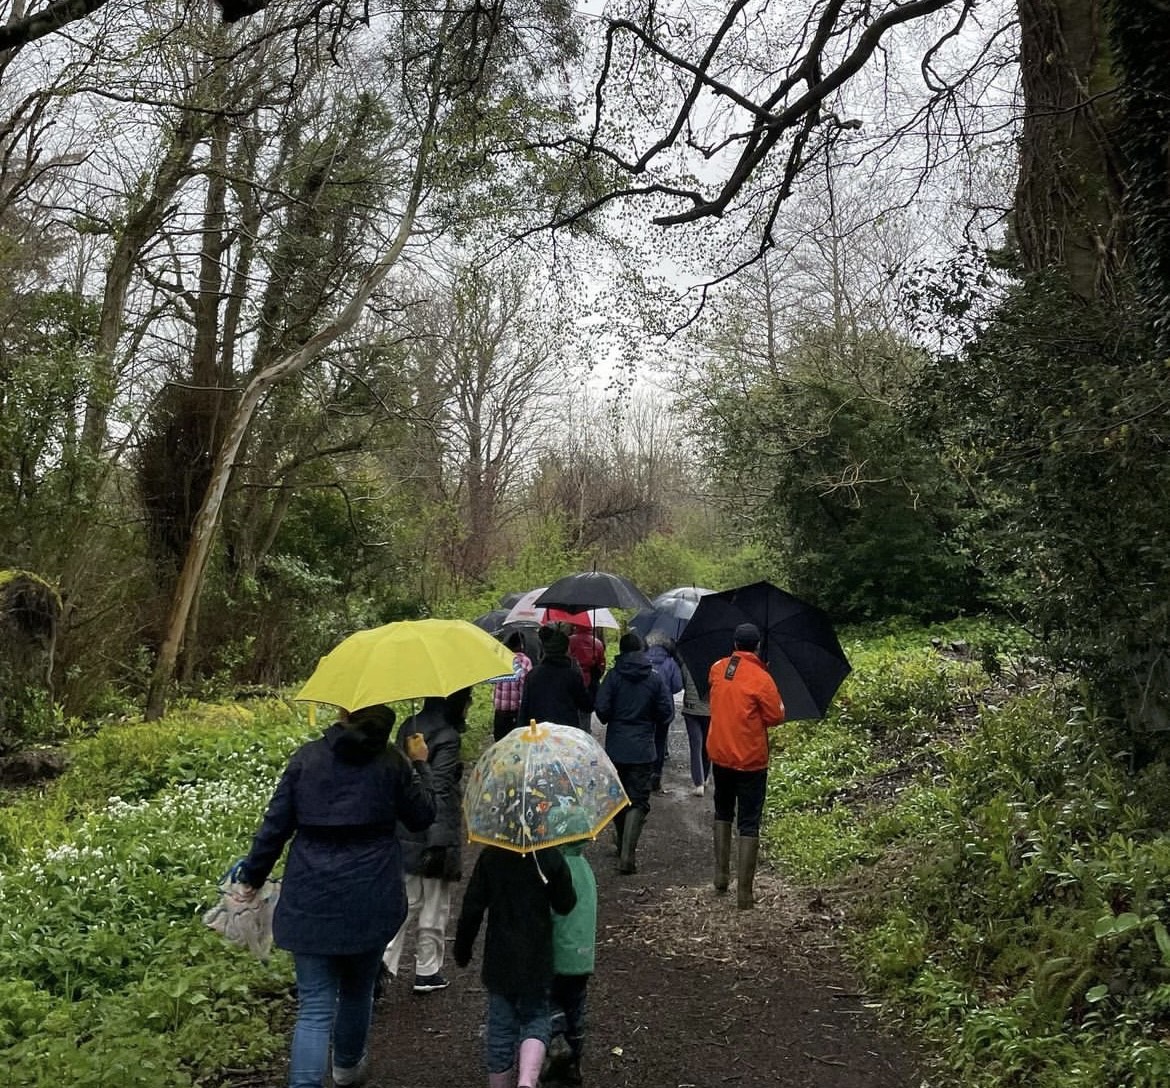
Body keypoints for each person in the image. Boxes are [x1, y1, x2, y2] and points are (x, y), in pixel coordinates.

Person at [233, 704, 435, 1088]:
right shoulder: (392, 762)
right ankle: (346, 1070)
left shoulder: (307, 759)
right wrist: (419, 764)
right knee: (358, 991)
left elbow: (275, 827)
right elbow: (422, 817)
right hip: (371, 894)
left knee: (314, 1006)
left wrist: (252, 877)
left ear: (344, 710)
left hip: (311, 894)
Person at [454, 845, 577, 1088]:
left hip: (500, 959)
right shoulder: (547, 855)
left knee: (500, 1027)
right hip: (537, 957)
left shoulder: (491, 855)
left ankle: (499, 1083)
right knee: (536, 1017)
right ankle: (527, 1080)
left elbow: (473, 906)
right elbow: (566, 903)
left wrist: (463, 947)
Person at [382, 688, 471, 995]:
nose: (470, 704)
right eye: (468, 699)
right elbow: (440, 787)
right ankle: (427, 970)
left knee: (404, 903)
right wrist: (439, 839)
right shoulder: (448, 735)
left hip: (405, 825)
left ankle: (383, 966)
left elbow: (400, 773)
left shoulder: (409, 725)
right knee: (434, 905)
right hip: (435, 828)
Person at [706, 623, 785, 909]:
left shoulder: (717, 668)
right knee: (749, 820)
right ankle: (745, 893)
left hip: (720, 753)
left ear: (735, 642)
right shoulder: (762, 679)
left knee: (722, 809)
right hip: (750, 759)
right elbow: (775, 716)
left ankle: (720, 875)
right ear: (758, 646)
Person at [594, 630, 674, 875]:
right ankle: (628, 853)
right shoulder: (654, 678)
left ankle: (621, 846)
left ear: (621, 651)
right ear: (642, 651)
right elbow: (666, 713)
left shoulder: (613, 677)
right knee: (638, 799)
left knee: (619, 797)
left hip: (617, 747)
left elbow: (602, 711)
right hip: (643, 748)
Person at [545, 809, 597, 1088]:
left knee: (550, 1001)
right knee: (576, 1007)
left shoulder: (554, 868)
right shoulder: (586, 869)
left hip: (557, 953)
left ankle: (556, 1038)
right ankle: (574, 1062)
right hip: (582, 956)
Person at [517, 625, 593, 730]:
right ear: (566, 650)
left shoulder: (533, 675)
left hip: (539, 734)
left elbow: (524, 709)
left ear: (545, 649)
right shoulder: (572, 676)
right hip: (566, 733)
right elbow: (587, 706)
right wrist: (593, 680)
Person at [644, 633, 683, 793]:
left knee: (646, 739)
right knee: (660, 741)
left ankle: (643, 775)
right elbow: (677, 686)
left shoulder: (643, 659)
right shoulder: (670, 663)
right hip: (663, 708)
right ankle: (656, 777)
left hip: (644, 707)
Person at [492, 632, 534, 741]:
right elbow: (527, 685)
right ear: (521, 645)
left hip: (500, 709)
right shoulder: (525, 661)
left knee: (500, 741)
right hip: (517, 711)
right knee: (517, 742)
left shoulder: (500, 659)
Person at [680, 661, 712, 796]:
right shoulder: (717, 665)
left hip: (691, 709)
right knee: (708, 745)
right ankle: (705, 777)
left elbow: (680, 684)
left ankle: (698, 783)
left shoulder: (687, 663)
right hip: (710, 711)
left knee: (696, 746)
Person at [568, 623, 606, 728]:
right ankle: (585, 734)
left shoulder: (569, 641)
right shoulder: (597, 643)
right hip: (589, 682)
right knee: (586, 710)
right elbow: (601, 665)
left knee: (572, 709)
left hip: (572, 680)